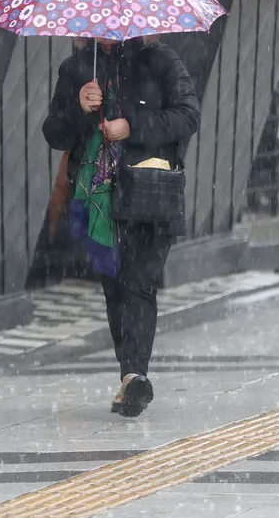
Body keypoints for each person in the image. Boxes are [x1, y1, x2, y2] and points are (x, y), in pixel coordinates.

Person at [42, 37, 200, 417]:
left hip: (148, 192)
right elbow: (54, 133)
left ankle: (134, 373)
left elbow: (187, 116)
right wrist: (79, 109)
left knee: (139, 283)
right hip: (96, 199)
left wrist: (132, 126)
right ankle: (130, 376)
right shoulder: (78, 68)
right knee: (114, 287)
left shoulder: (161, 60)